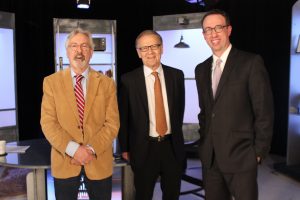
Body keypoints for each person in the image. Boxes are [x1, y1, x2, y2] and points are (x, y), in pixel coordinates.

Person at [195, 9, 274, 200]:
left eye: (218, 28)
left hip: (242, 157)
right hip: (211, 159)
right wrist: (203, 144)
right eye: (208, 30)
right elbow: (206, 112)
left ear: (229, 30)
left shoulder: (251, 62)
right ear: (203, 35)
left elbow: (264, 111)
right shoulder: (201, 69)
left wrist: (258, 152)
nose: (213, 34)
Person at [40, 28, 119, 200]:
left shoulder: (107, 84)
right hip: (65, 160)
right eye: (74, 46)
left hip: (98, 161)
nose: (79, 51)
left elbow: (112, 124)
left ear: (91, 52)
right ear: (67, 51)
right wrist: (74, 150)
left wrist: (89, 150)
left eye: (84, 46)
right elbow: (48, 123)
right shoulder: (51, 82)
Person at [118, 30, 186, 200]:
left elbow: (179, 110)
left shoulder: (177, 76)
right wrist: (125, 147)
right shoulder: (128, 80)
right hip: (143, 149)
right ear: (138, 53)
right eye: (144, 48)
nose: (150, 52)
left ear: (162, 48)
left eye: (154, 46)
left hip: (172, 146)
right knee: (143, 195)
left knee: (172, 195)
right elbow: (123, 117)